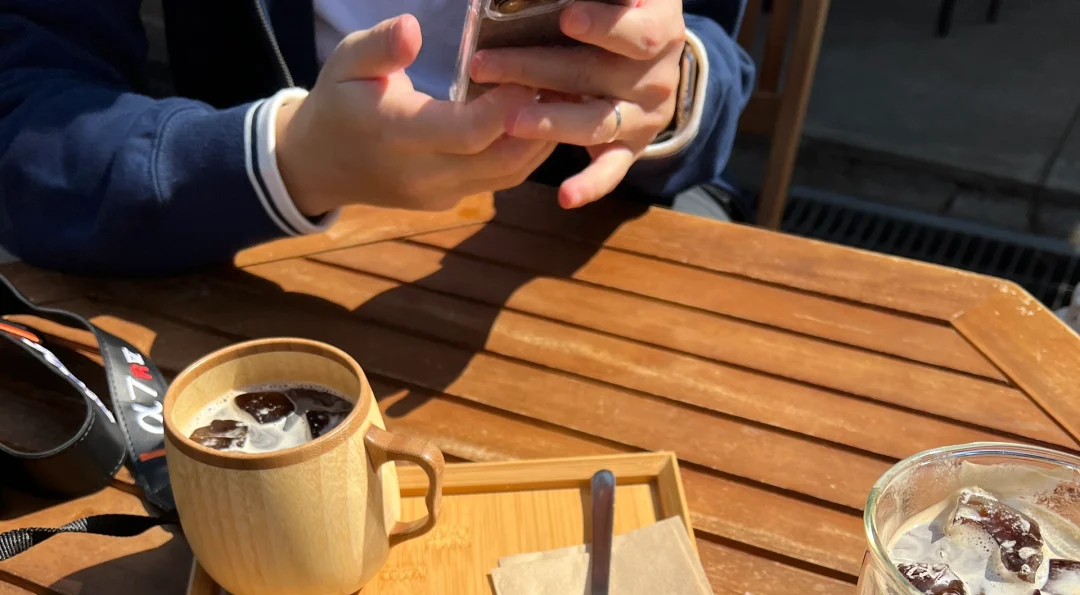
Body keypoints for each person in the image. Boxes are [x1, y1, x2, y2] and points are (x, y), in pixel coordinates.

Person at [0, 0, 754, 276]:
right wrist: (282, 158)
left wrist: (670, 87)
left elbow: (712, 51)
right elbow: (25, 108)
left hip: (578, 228)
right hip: (247, 247)